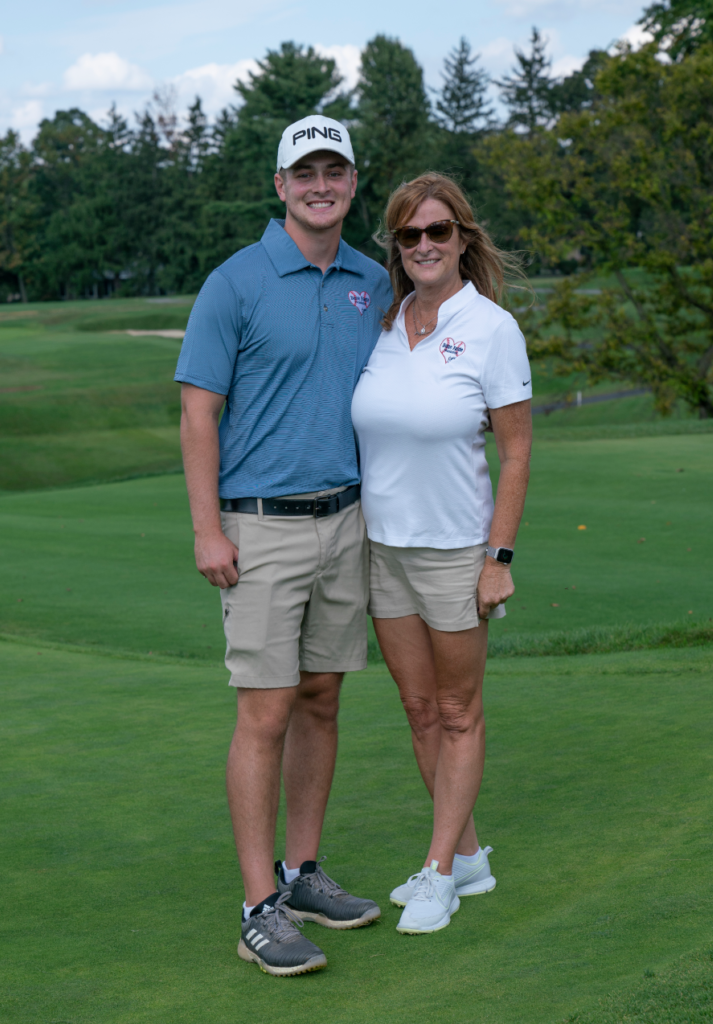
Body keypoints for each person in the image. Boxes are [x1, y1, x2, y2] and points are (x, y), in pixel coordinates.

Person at [175, 115, 392, 976]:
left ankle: (303, 874)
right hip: (259, 523)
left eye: (334, 170)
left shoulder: (371, 280)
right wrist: (206, 529)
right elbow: (199, 412)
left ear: (350, 182)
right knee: (264, 712)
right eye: (305, 172)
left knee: (324, 700)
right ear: (280, 186)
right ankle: (256, 905)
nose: (320, 184)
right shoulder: (234, 283)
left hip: (347, 521)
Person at [351, 172, 532, 935]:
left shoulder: (492, 327)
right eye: (409, 234)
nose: (425, 245)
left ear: (463, 238)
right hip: (382, 550)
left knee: (458, 711)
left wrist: (500, 556)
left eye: (439, 231)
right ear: (395, 245)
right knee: (420, 708)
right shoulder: (386, 324)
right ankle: (467, 859)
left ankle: (437, 874)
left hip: (457, 551)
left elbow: (517, 452)